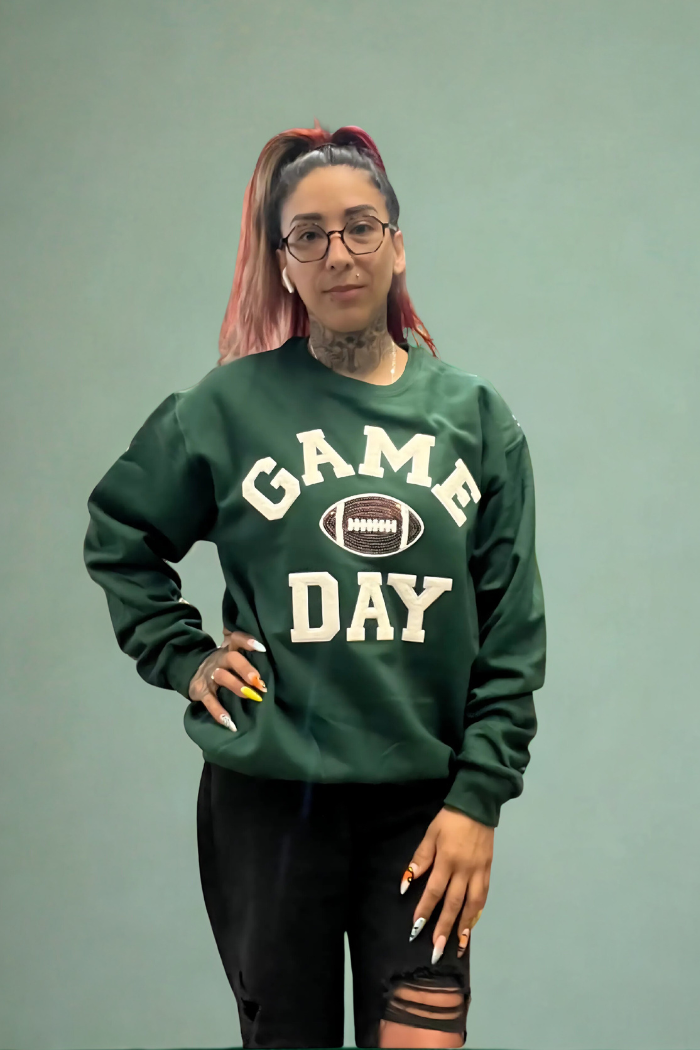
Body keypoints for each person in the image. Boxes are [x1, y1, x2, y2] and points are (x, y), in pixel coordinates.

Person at [83, 121, 546, 1049]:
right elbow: (121, 532)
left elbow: (511, 635)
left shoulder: (477, 419)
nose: (339, 252)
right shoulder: (225, 408)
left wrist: (477, 800)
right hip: (269, 804)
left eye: (362, 226)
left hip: (424, 812)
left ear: (397, 244)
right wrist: (183, 657)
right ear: (282, 261)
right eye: (309, 234)